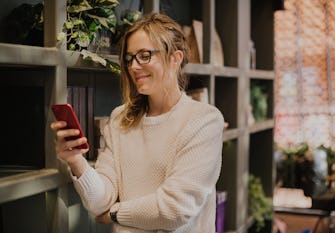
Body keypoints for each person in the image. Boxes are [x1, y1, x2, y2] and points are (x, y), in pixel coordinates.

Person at [51, 12, 224, 233]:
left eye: (144, 55)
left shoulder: (204, 121)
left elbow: (175, 209)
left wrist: (114, 214)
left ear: (175, 58)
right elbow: (99, 201)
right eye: (130, 58)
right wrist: (76, 161)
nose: (133, 66)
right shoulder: (120, 119)